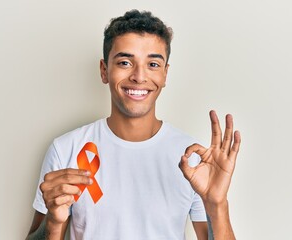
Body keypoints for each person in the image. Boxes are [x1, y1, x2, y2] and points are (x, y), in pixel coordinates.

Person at [26, 9, 241, 240]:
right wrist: (54, 221)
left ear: (165, 75)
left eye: (153, 64)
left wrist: (217, 205)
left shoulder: (192, 159)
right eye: (125, 62)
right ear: (104, 70)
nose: (139, 76)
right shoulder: (66, 149)